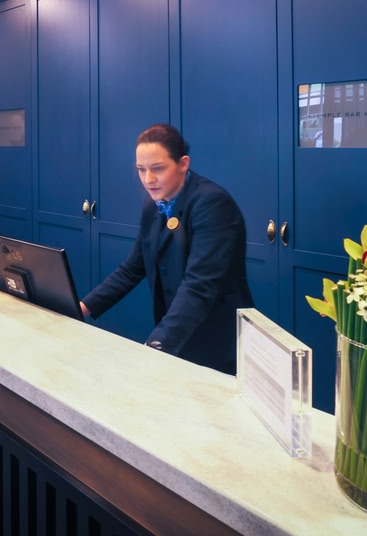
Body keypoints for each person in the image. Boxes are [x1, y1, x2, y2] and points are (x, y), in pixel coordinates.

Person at [80, 123, 253, 374]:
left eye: (158, 168)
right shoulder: (153, 206)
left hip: (216, 344)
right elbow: (132, 269)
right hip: (177, 338)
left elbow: (199, 285)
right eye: (141, 170)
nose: (148, 179)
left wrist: (157, 344)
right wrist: (82, 307)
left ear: (183, 163)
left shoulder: (212, 204)